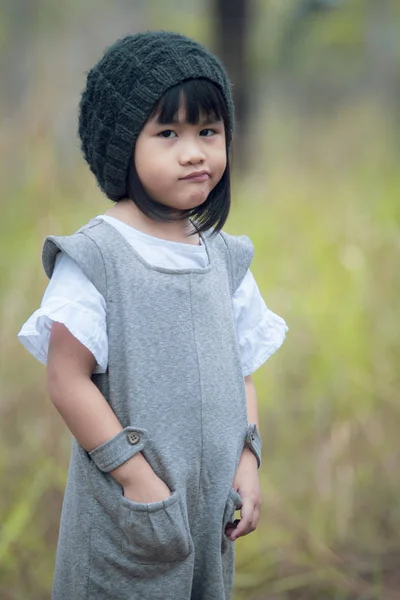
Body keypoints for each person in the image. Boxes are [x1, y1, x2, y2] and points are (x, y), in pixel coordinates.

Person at [18, 31, 288, 600]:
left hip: (210, 504)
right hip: (132, 507)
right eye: (168, 133)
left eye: (208, 132)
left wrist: (248, 456)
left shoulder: (225, 256)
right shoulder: (98, 257)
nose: (194, 151)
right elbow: (67, 380)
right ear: (122, 147)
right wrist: (135, 479)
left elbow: (240, 371)